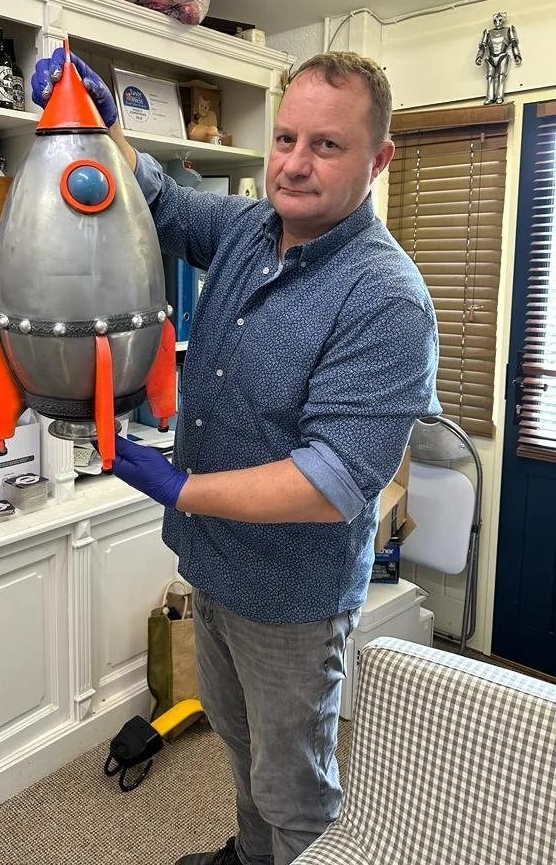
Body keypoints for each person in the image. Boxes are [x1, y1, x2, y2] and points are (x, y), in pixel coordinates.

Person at [32, 48, 441, 865]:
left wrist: (183, 487)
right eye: (285, 137)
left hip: (291, 598)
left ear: (378, 157)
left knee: (296, 793)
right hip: (214, 567)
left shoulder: (386, 299)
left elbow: (331, 482)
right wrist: (100, 125)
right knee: (239, 746)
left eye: (326, 145)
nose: (294, 163)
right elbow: (161, 203)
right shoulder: (255, 226)